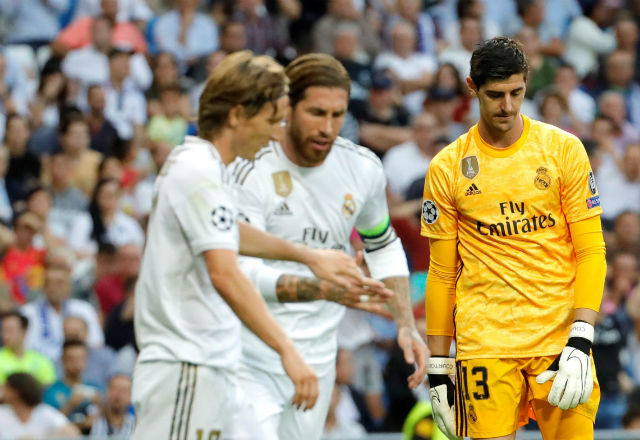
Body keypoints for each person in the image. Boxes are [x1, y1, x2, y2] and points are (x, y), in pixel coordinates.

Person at [131, 50, 375, 438]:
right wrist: (287, 350)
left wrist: (308, 255)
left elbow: (230, 234)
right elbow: (225, 273)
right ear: (237, 114)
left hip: (208, 366)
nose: (277, 132)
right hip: (184, 364)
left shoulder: (208, 169)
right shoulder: (199, 171)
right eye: (270, 120)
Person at [229, 53, 427, 440]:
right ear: (287, 107)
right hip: (247, 354)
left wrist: (405, 323)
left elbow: (383, 245)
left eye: (337, 115)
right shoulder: (250, 166)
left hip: (318, 359)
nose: (328, 127)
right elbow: (238, 270)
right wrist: (325, 287)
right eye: (316, 113)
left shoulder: (362, 168)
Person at [422, 37, 606, 440]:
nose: (507, 106)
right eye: (495, 95)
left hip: (559, 338)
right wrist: (439, 368)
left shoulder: (563, 150)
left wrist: (582, 336)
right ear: (472, 88)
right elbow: (441, 272)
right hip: (485, 340)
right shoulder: (447, 167)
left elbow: (591, 250)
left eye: (516, 93)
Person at [0, 372, 79, 438]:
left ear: (17, 391)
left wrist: (40, 438)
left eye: (6, 387)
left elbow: (72, 432)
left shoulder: (43, 411)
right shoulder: (2, 412)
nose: (2, 390)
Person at [0, 310, 56, 386]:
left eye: (10, 330)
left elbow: (49, 389)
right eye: (3, 331)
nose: (5, 336)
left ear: (24, 330)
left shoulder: (42, 360)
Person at [89, 374, 135, 438]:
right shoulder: (91, 416)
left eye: (124, 390)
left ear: (131, 395)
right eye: (114, 389)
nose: (118, 394)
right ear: (107, 391)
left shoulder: (136, 426)